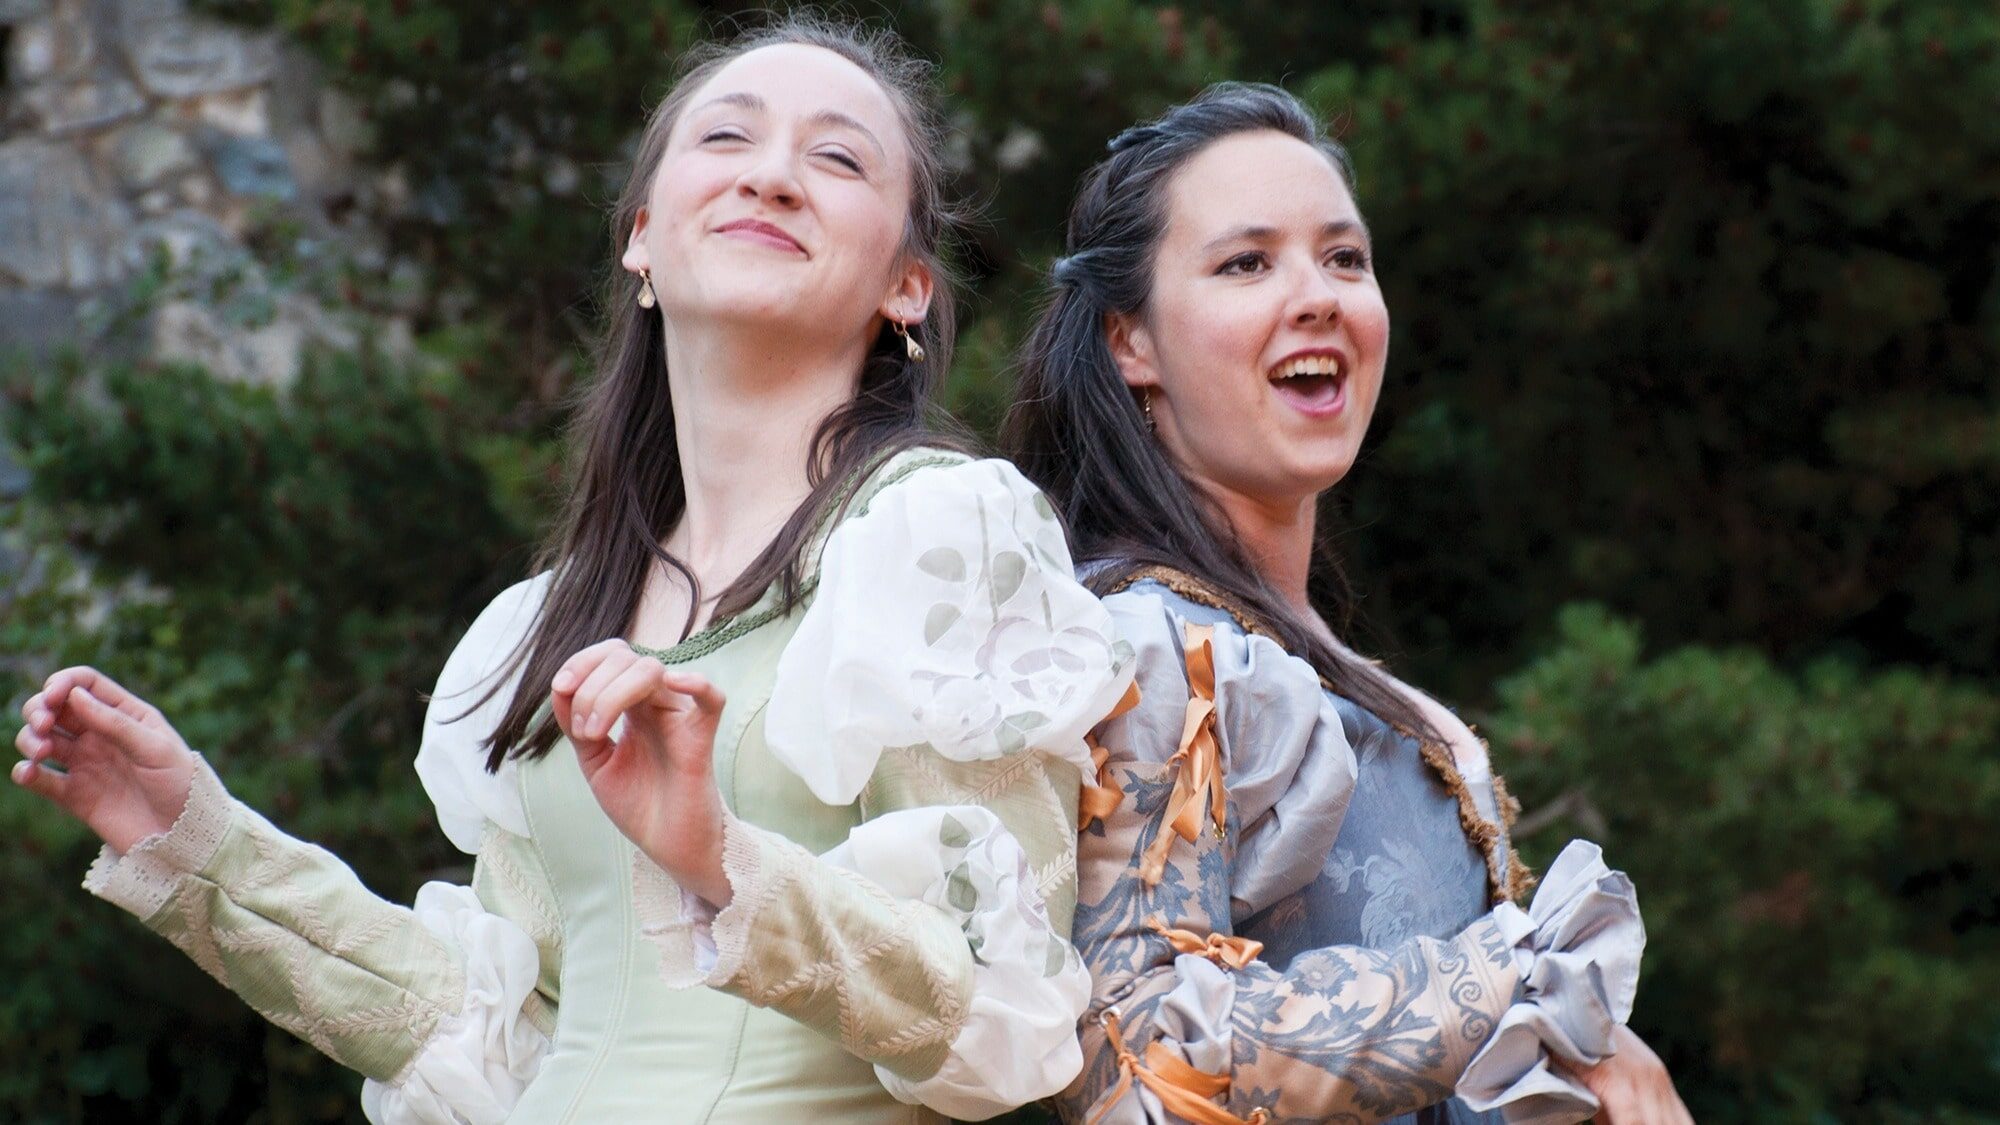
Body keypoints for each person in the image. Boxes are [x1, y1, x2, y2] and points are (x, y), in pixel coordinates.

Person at [12, 17, 1134, 1124]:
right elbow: (501, 1036)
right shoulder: (549, 618)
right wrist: (206, 848)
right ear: (642, 236)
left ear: (908, 286)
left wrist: (723, 860)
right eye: (726, 138)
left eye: (837, 158)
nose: (771, 177)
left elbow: (999, 1004)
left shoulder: (938, 537)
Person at [1005, 83, 1692, 1124]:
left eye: (1343, 257)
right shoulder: (1149, 644)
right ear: (1129, 343)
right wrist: (1518, 986)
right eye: (1246, 263)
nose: (1317, 295)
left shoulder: (1290, 650)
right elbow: (1133, 1054)